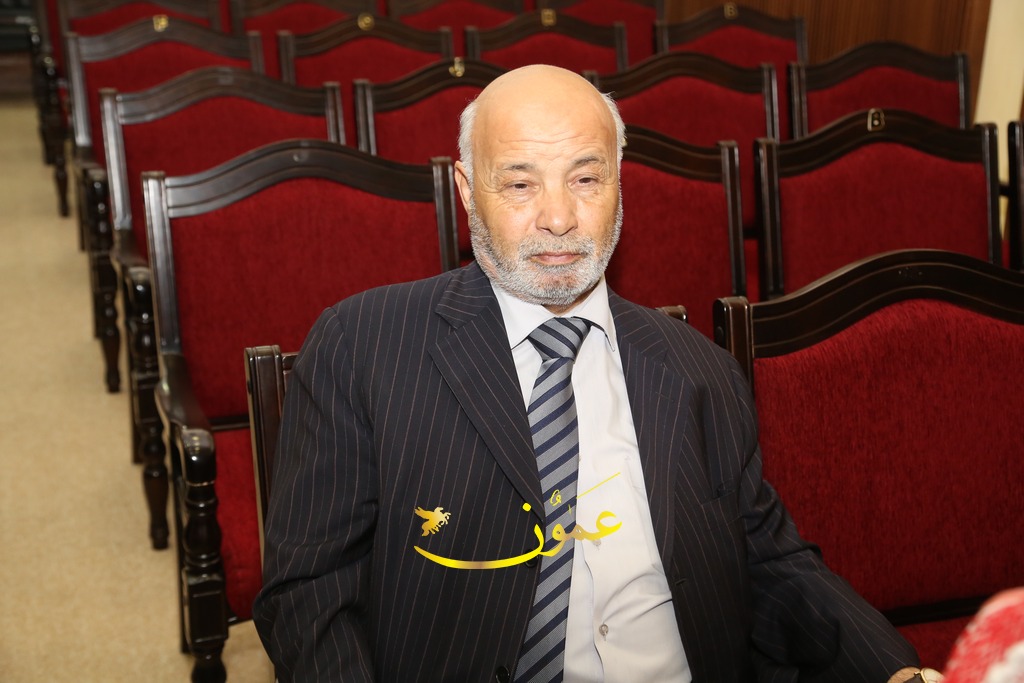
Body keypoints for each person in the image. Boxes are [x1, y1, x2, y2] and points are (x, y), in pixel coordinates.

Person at [253, 64, 939, 682]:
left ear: (618, 184)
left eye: (586, 179)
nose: (558, 217)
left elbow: (770, 560)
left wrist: (892, 670)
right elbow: (308, 594)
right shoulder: (363, 346)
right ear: (466, 190)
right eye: (519, 183)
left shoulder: (700, 370)